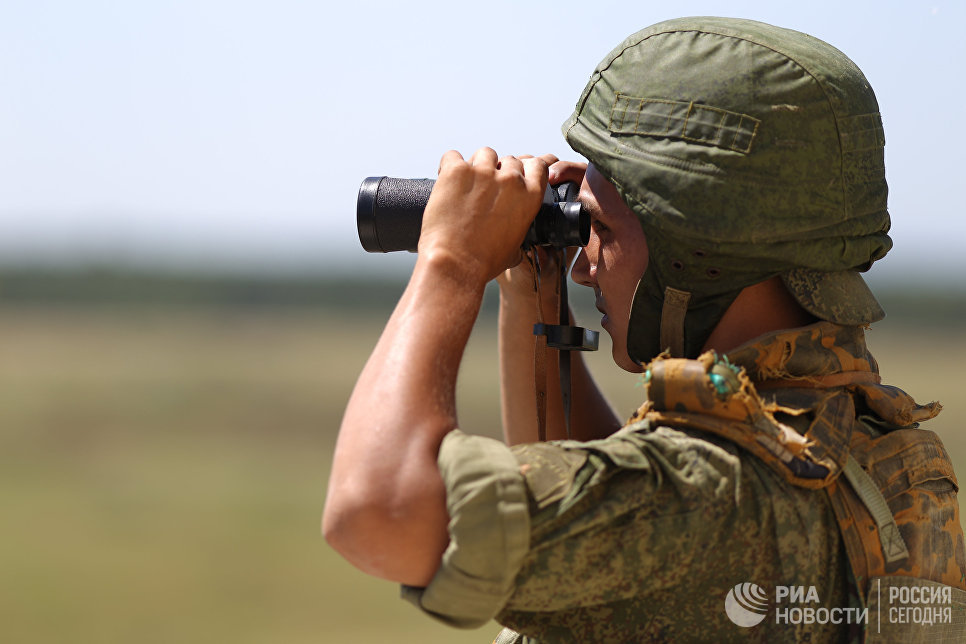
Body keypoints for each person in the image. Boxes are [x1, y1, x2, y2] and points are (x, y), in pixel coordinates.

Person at [324, 17, 966, 642]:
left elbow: (376, 515)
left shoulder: (710, 497)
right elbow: (591, 505)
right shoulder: (867, 448)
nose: (584, 265)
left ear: (691, 244)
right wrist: (531, 289)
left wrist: (452, 262)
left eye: (599, 229)